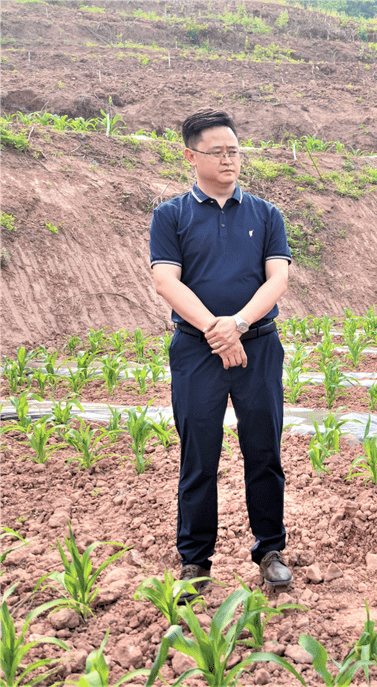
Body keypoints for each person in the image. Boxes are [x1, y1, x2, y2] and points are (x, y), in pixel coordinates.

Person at [150, 108, 293, 596]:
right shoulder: (171, 215)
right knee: (199, 455)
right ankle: (195, 560)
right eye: (218, 152)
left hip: (257, 347)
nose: (229, 159)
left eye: (235, 150)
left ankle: (270, 549)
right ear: (191, 156)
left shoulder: (265, 213)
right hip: (196, 350)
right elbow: (165, 279)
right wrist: (214, 328)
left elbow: (278, 277)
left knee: (264, 451)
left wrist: (239, 323)